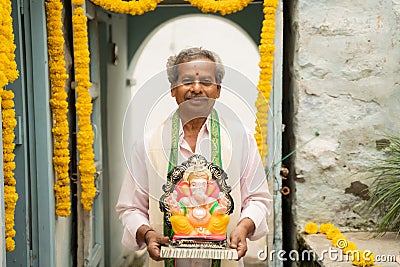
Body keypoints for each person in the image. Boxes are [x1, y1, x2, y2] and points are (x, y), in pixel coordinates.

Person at [116, 47, 272, 267]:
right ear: (173, 88)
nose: (196, 88)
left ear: (218, 90)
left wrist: (243, 227)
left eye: (206, 82)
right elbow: (130, 208)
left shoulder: (240, 138)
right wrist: (148, 233)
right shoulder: (147, 143)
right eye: (187, 81)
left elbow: (258, 199)